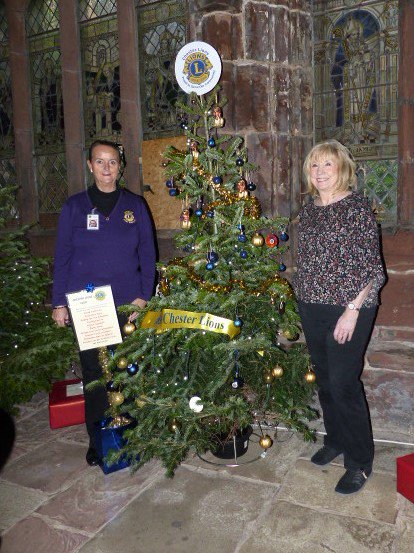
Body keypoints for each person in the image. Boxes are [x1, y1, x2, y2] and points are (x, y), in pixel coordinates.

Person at [52, 139, 156, 466]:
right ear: (90, 165)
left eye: (112, 161)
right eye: (100, 161)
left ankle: (132, 434)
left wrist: (144, 296)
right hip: (88, 305)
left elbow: (148, 253)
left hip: (128, 303)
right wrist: (59, 303)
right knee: (96, 374)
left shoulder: (135, 205)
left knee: (129, 370)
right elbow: (63, 257)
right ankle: (98, 441)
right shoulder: (74, 207)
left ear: (120, 166)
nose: (107, 168)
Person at [293, 139, 385, 494]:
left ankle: (360, 461)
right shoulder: (310, 209)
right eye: (314, 166)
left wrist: (351, 310)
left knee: (345, 384)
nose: (319, 172)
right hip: (312, 304)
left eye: (327, 165)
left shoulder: (358, 207)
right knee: (326, 380)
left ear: (342, 169)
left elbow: (373, 268)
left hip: (351, 307)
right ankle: (336, 439)